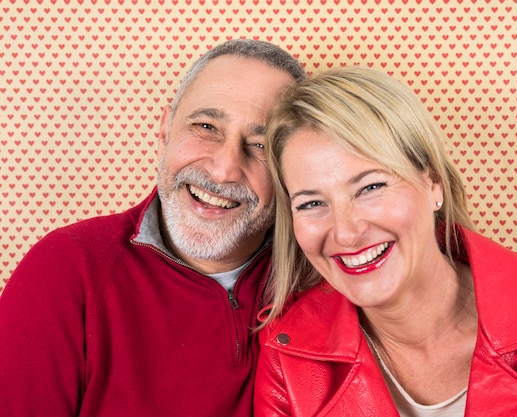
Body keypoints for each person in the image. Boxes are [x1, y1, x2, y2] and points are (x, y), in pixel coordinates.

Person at [254, 66, 517, 416]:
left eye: (370, 187)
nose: (346, 232)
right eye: (313, 203)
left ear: (432, 183)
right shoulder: (287, 359)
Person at [0, 39, 305, 417]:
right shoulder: (65, 268)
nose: (223, 169)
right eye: (206, 126)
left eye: (260, 146)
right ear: (166, 126)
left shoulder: (322, 280)